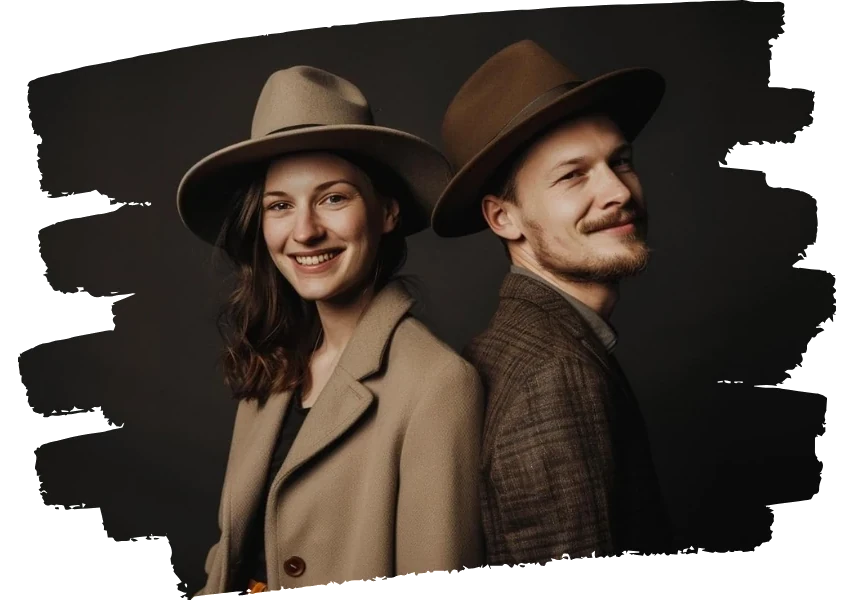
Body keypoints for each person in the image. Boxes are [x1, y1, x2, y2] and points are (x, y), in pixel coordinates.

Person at [177, 65, 485, 594]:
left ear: (386, 212)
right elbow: (231, 553)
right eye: (280, 206)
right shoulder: (272, 364)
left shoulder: (438, 384)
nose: (305, 231)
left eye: (333, 197)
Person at [430, 40, 674, 565]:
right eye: (573, 175)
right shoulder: (554, 376)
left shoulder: (536, 345)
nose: (619, 192)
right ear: (503, 219)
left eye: (621, 160)